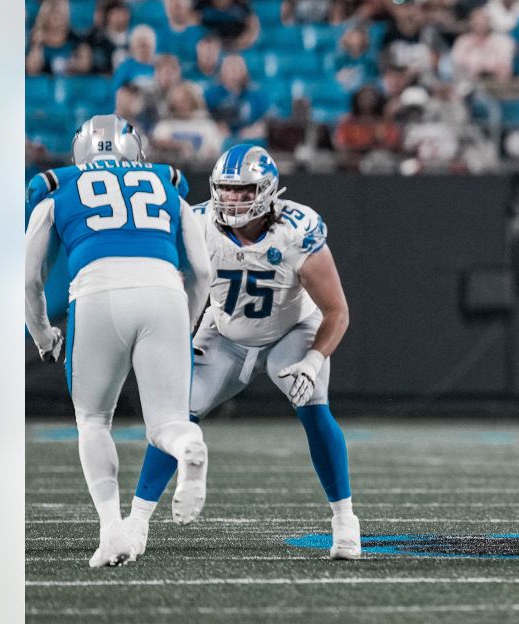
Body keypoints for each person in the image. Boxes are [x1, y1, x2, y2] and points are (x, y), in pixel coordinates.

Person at [126, 144, 361, 560]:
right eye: (226, 189)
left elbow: (337, 311)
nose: (233, 199)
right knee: (176, 414)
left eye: (244, 190)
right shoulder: (197, 222)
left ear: (268, 190)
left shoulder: (297, 228)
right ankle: (137, 521)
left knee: (313, 406)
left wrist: (313, 360)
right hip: (224, 333)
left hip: (290, 330)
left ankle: (345, 520)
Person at [24, 115, 211, 567]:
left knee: (92, 419)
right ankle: (189, 447)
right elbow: (202, 272)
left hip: (97, 294)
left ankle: (112, 531)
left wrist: (44, 334)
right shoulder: (167, 184)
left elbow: (30, 278)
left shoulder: (57, 188)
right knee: (166, 423)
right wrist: (183, 324)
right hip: (164, 290)